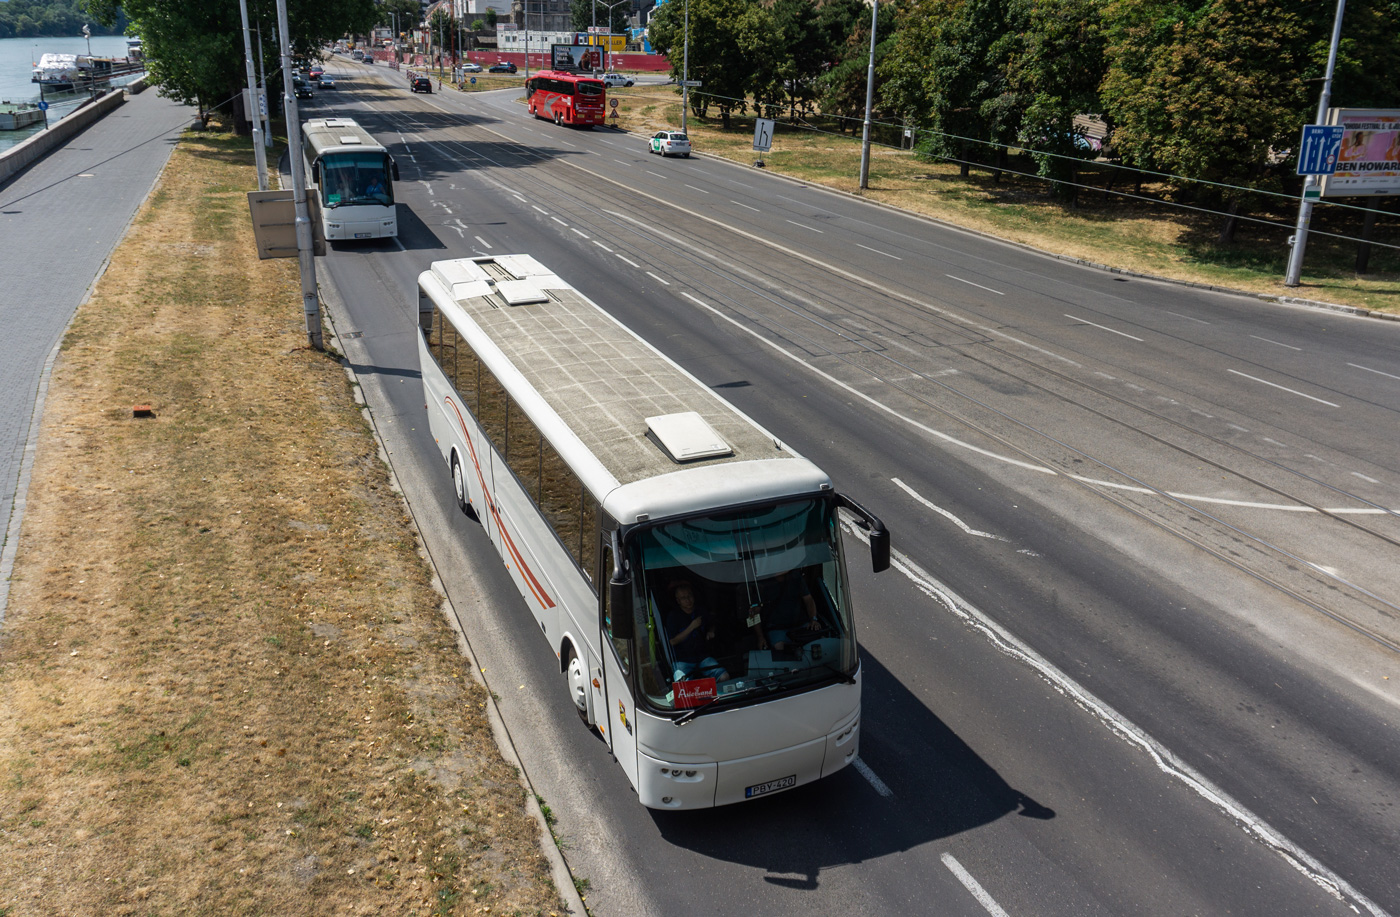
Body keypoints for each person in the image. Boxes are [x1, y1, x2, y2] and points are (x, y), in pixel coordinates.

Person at [665, 581, 728, 682]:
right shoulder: (673, 617)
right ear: (678, 600)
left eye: (689, 596)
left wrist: (711, 631)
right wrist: (692, 627)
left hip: (703, 657)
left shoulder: (701, 611)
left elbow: (712, 624)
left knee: (724, 676)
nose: (688, 600)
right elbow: (672, 641)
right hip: (682, 660)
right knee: (682, 685)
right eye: (683, 598)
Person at [754, 568, 821, 652]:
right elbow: (752, 614)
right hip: (776, 629)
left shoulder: (796, 577)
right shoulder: (762, 584)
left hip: (800, 624)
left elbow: (808, 599)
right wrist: (760, 637)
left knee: (816, 647)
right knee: (780, 650)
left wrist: (813, 618)